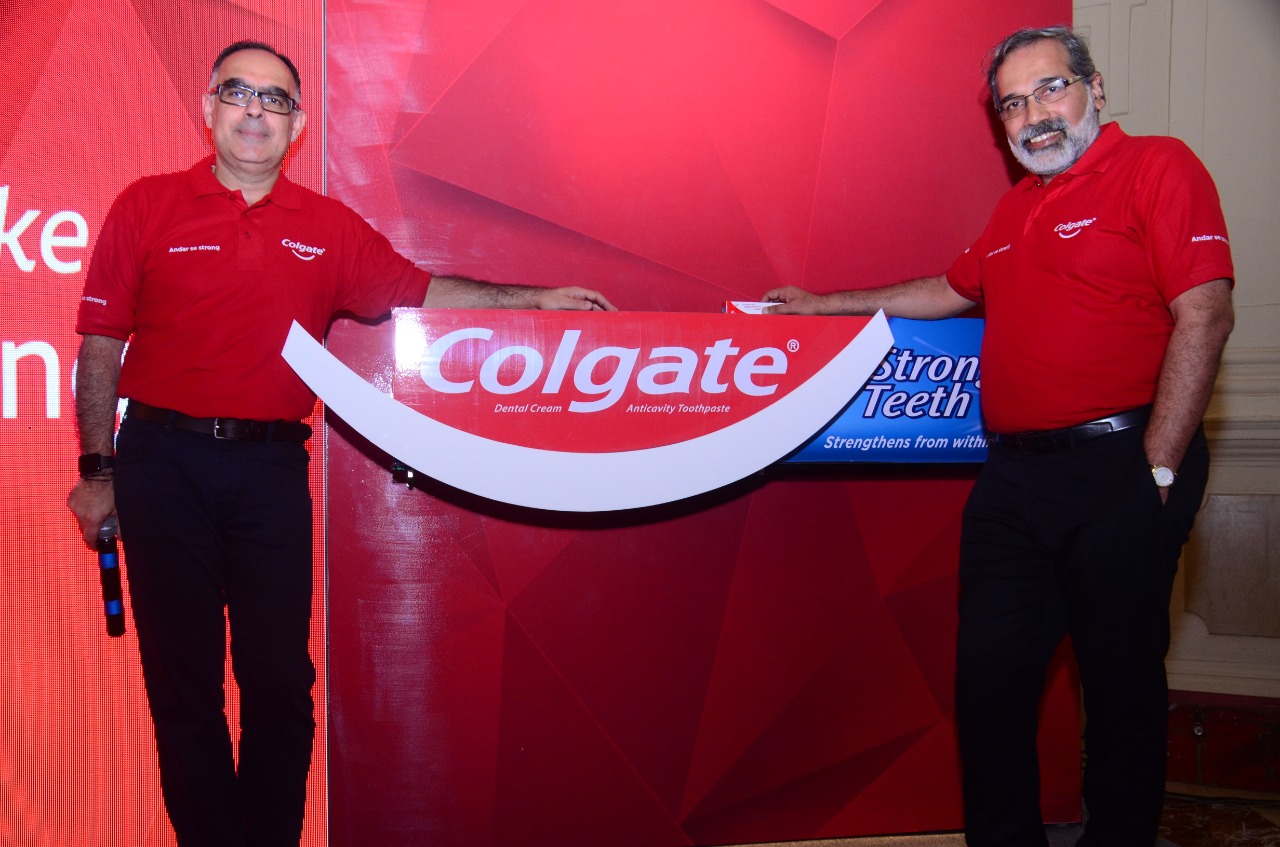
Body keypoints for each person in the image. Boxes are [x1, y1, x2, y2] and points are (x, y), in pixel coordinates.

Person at [66, 40, 614, 847]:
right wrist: (96, 470)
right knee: (183, 689)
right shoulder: (147, 205)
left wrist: (532, 301)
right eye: (239, 92)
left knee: (281, 684)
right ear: (210, 106)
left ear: (296, 126)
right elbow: (101, 345)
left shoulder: (326, 228)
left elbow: (423, 289)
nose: (255, 110)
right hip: (161, 464)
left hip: (268, 471)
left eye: (276, 99)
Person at [762, 25, 1234, 847]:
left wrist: (1156, 472)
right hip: (1013, 482)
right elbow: (946, 289)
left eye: (1050, 88)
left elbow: (1206, 313)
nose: (1033, 115)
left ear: (1095, 88)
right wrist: (825, 306)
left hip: (1122, 465)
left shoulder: (1159, 167)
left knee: (1120, 691)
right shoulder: (1015, 207)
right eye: (1013, 104)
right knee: (989, 686)